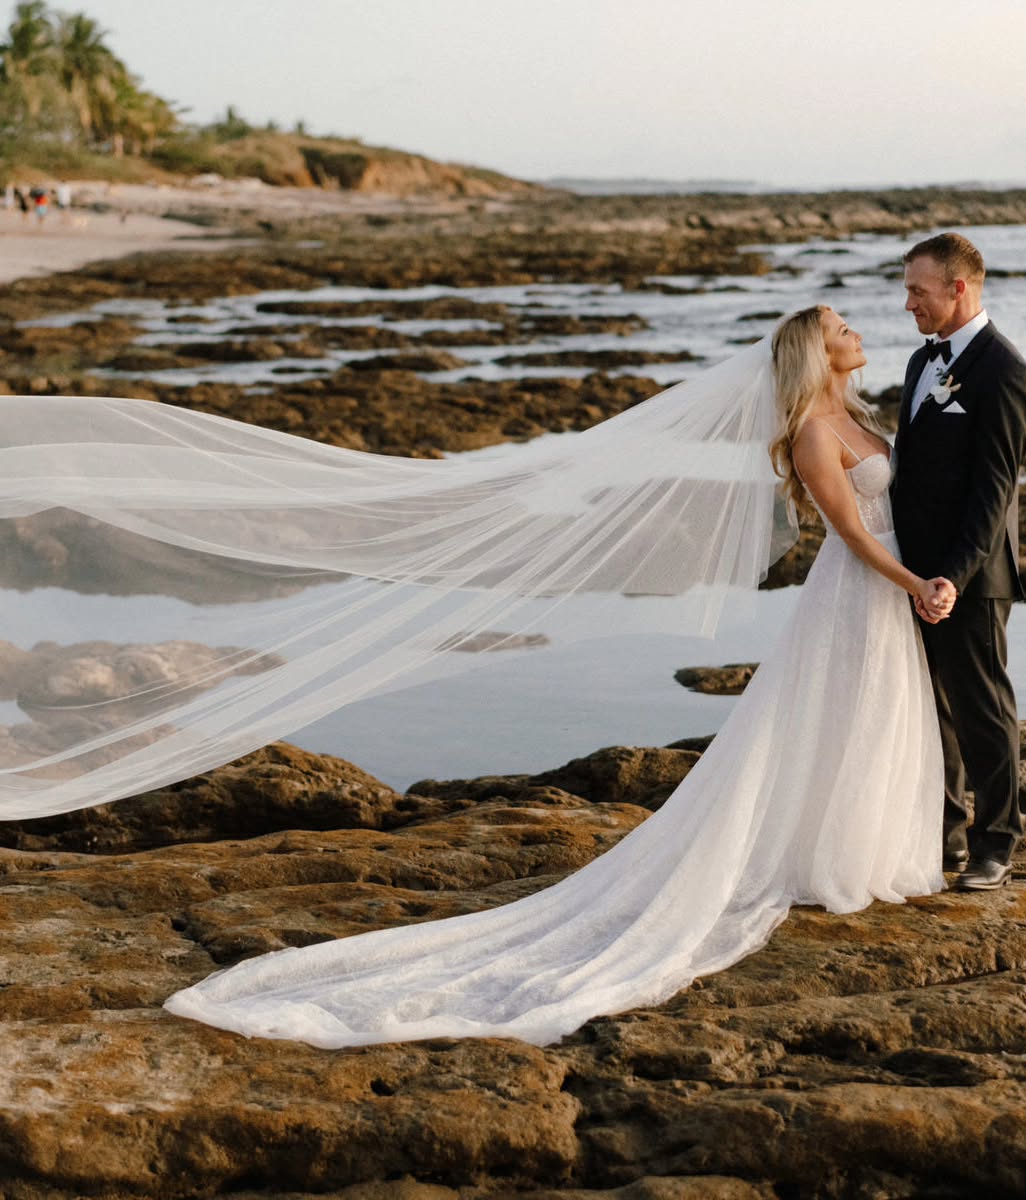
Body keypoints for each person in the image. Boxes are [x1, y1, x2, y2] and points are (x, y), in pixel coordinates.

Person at [160, 306, 954, 1048]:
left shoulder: (858, 415)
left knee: (873, 716)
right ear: (815, 353)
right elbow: (850, 533)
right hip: (861, 591)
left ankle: (854, 849)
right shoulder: (816, 432)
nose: (854, 330)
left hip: (889, 589)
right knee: (841, 715)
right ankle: (823, 858)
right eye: (839, 326)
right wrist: (914, 584)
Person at [891, 232, 1026, 892]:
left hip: (969, 579)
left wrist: (955, 573)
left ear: (959, 288)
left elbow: (994, 491)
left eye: (917, 291)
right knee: (932, 710)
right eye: (906, 290)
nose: (908, 304)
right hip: (912, 574)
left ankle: (996, 843)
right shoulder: (921, 361)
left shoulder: (1004, 372)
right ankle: (947, 835)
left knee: (982, 710)